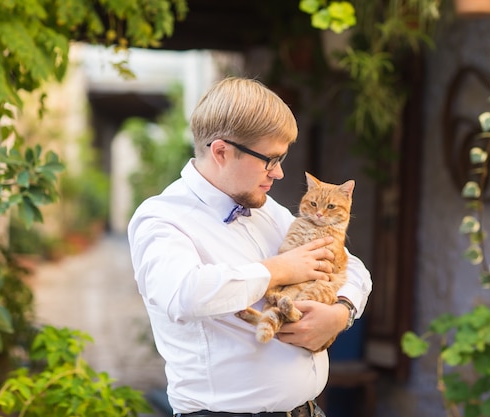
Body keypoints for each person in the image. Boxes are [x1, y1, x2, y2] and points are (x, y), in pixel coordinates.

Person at [127, 76, 372, 417]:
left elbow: (352, 265)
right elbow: (184, 293)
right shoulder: (161, 218)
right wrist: (279, 270)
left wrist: (340, 313)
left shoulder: (267, 210)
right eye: (270, 160)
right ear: (222, 152)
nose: (280, 173)